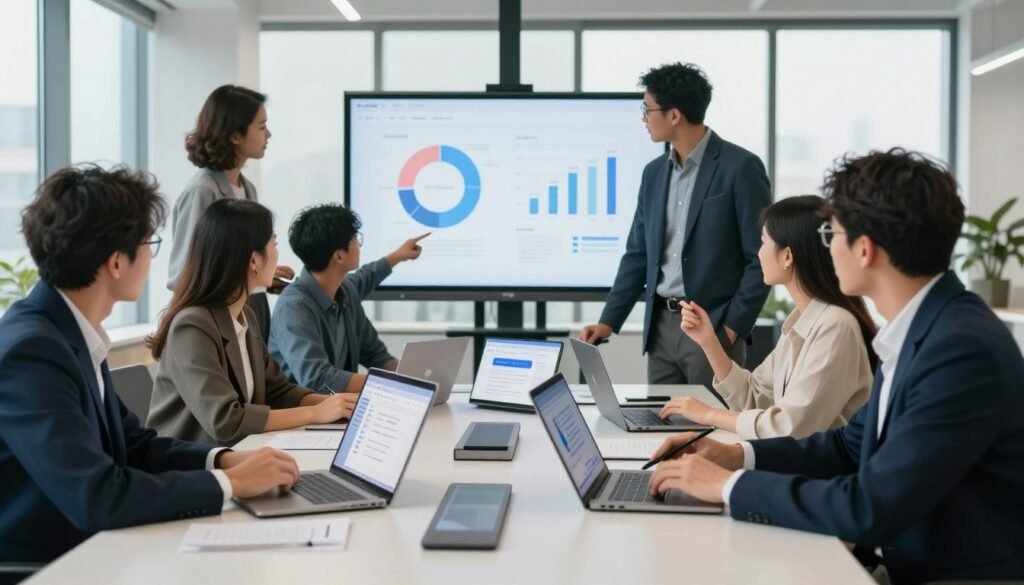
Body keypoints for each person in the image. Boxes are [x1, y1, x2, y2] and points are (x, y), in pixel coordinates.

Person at [647, 149, 1024, 585]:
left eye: (833, 233)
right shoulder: (924, 330)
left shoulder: (959, 349)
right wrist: (735, 455)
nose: (827, 248)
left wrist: (727, 487)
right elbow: (847, 447)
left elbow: (870, 506)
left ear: (864, 249)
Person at [0, 165, 301, 564]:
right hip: (54, 563)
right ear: (116, 263)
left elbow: (134, 446)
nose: (152, 256)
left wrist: (225, 460)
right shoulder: (33, 351)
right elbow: (98, 496)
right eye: (148, 243)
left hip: (98, 546)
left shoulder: (70, 331)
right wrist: (230, 483)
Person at [578, 62, 772, 389]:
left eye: (647, 108)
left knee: (713, 432)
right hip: (660, 331)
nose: (643, 117)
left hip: (712, 327)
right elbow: (637, 255)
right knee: (661, 426)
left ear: (674, 115)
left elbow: (761, 257)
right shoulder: (653, 173)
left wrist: (731, 329)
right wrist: (609, 321)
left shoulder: (740, 168)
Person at [657, 195, 876, 439]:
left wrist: (709, 415)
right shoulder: (802, 322)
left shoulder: (836, 326)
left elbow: (790, 427)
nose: (759, 253)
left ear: (787, 256)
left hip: (818, 474)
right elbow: (753, 398)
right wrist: (708, 340)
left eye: (763, 243)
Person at [147, 199, 356, 446]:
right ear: (254, 260)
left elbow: (278, 390)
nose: (278, 255)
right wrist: (316, 413)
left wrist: (339, 404)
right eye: (274, 244)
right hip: (190, 469)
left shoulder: (244, 317)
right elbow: (225, 420)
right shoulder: (192, 326)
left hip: (239, 455)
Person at [168, 84, 293, 342]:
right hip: (215, 323)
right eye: (261, 126)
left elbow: (230, 261)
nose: (268, 134)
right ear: (236, 135)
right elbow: (184, 274)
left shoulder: (247, 189)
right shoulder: (201, 191)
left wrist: (263, 273)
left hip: (250, 313)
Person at [269, 203, 428, 393]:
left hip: (338, 411)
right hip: (301, 416)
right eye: (354, 240)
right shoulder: (294, 307)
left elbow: (376, 356)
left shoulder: (345, 291)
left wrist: (415, 379)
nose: (359, 246)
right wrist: (389, 383)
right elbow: (318, 379)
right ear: (338, 256)